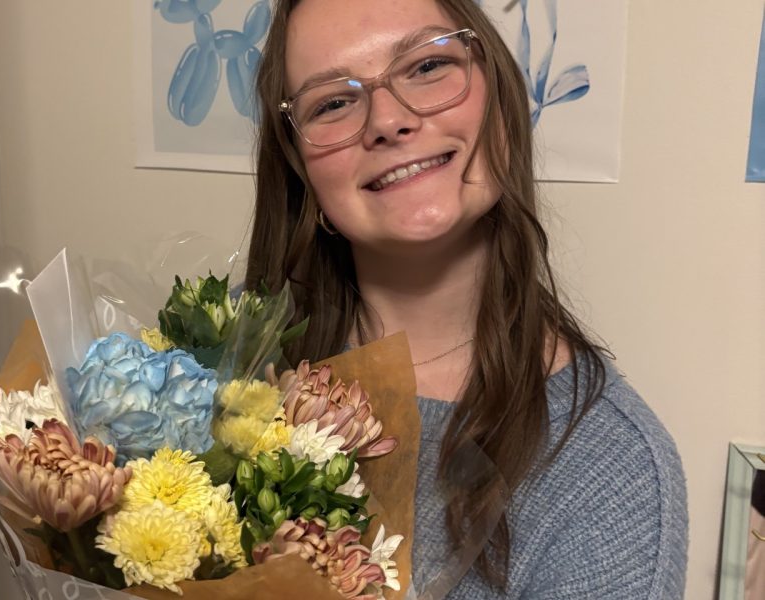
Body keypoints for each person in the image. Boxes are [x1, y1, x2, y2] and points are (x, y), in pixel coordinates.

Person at [244, 0, 689, 597]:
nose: (387, 120)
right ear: (301, 171)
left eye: (426, 66)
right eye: (332, 103)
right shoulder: (226, 368)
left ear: (501, 100)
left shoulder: (614, 472)